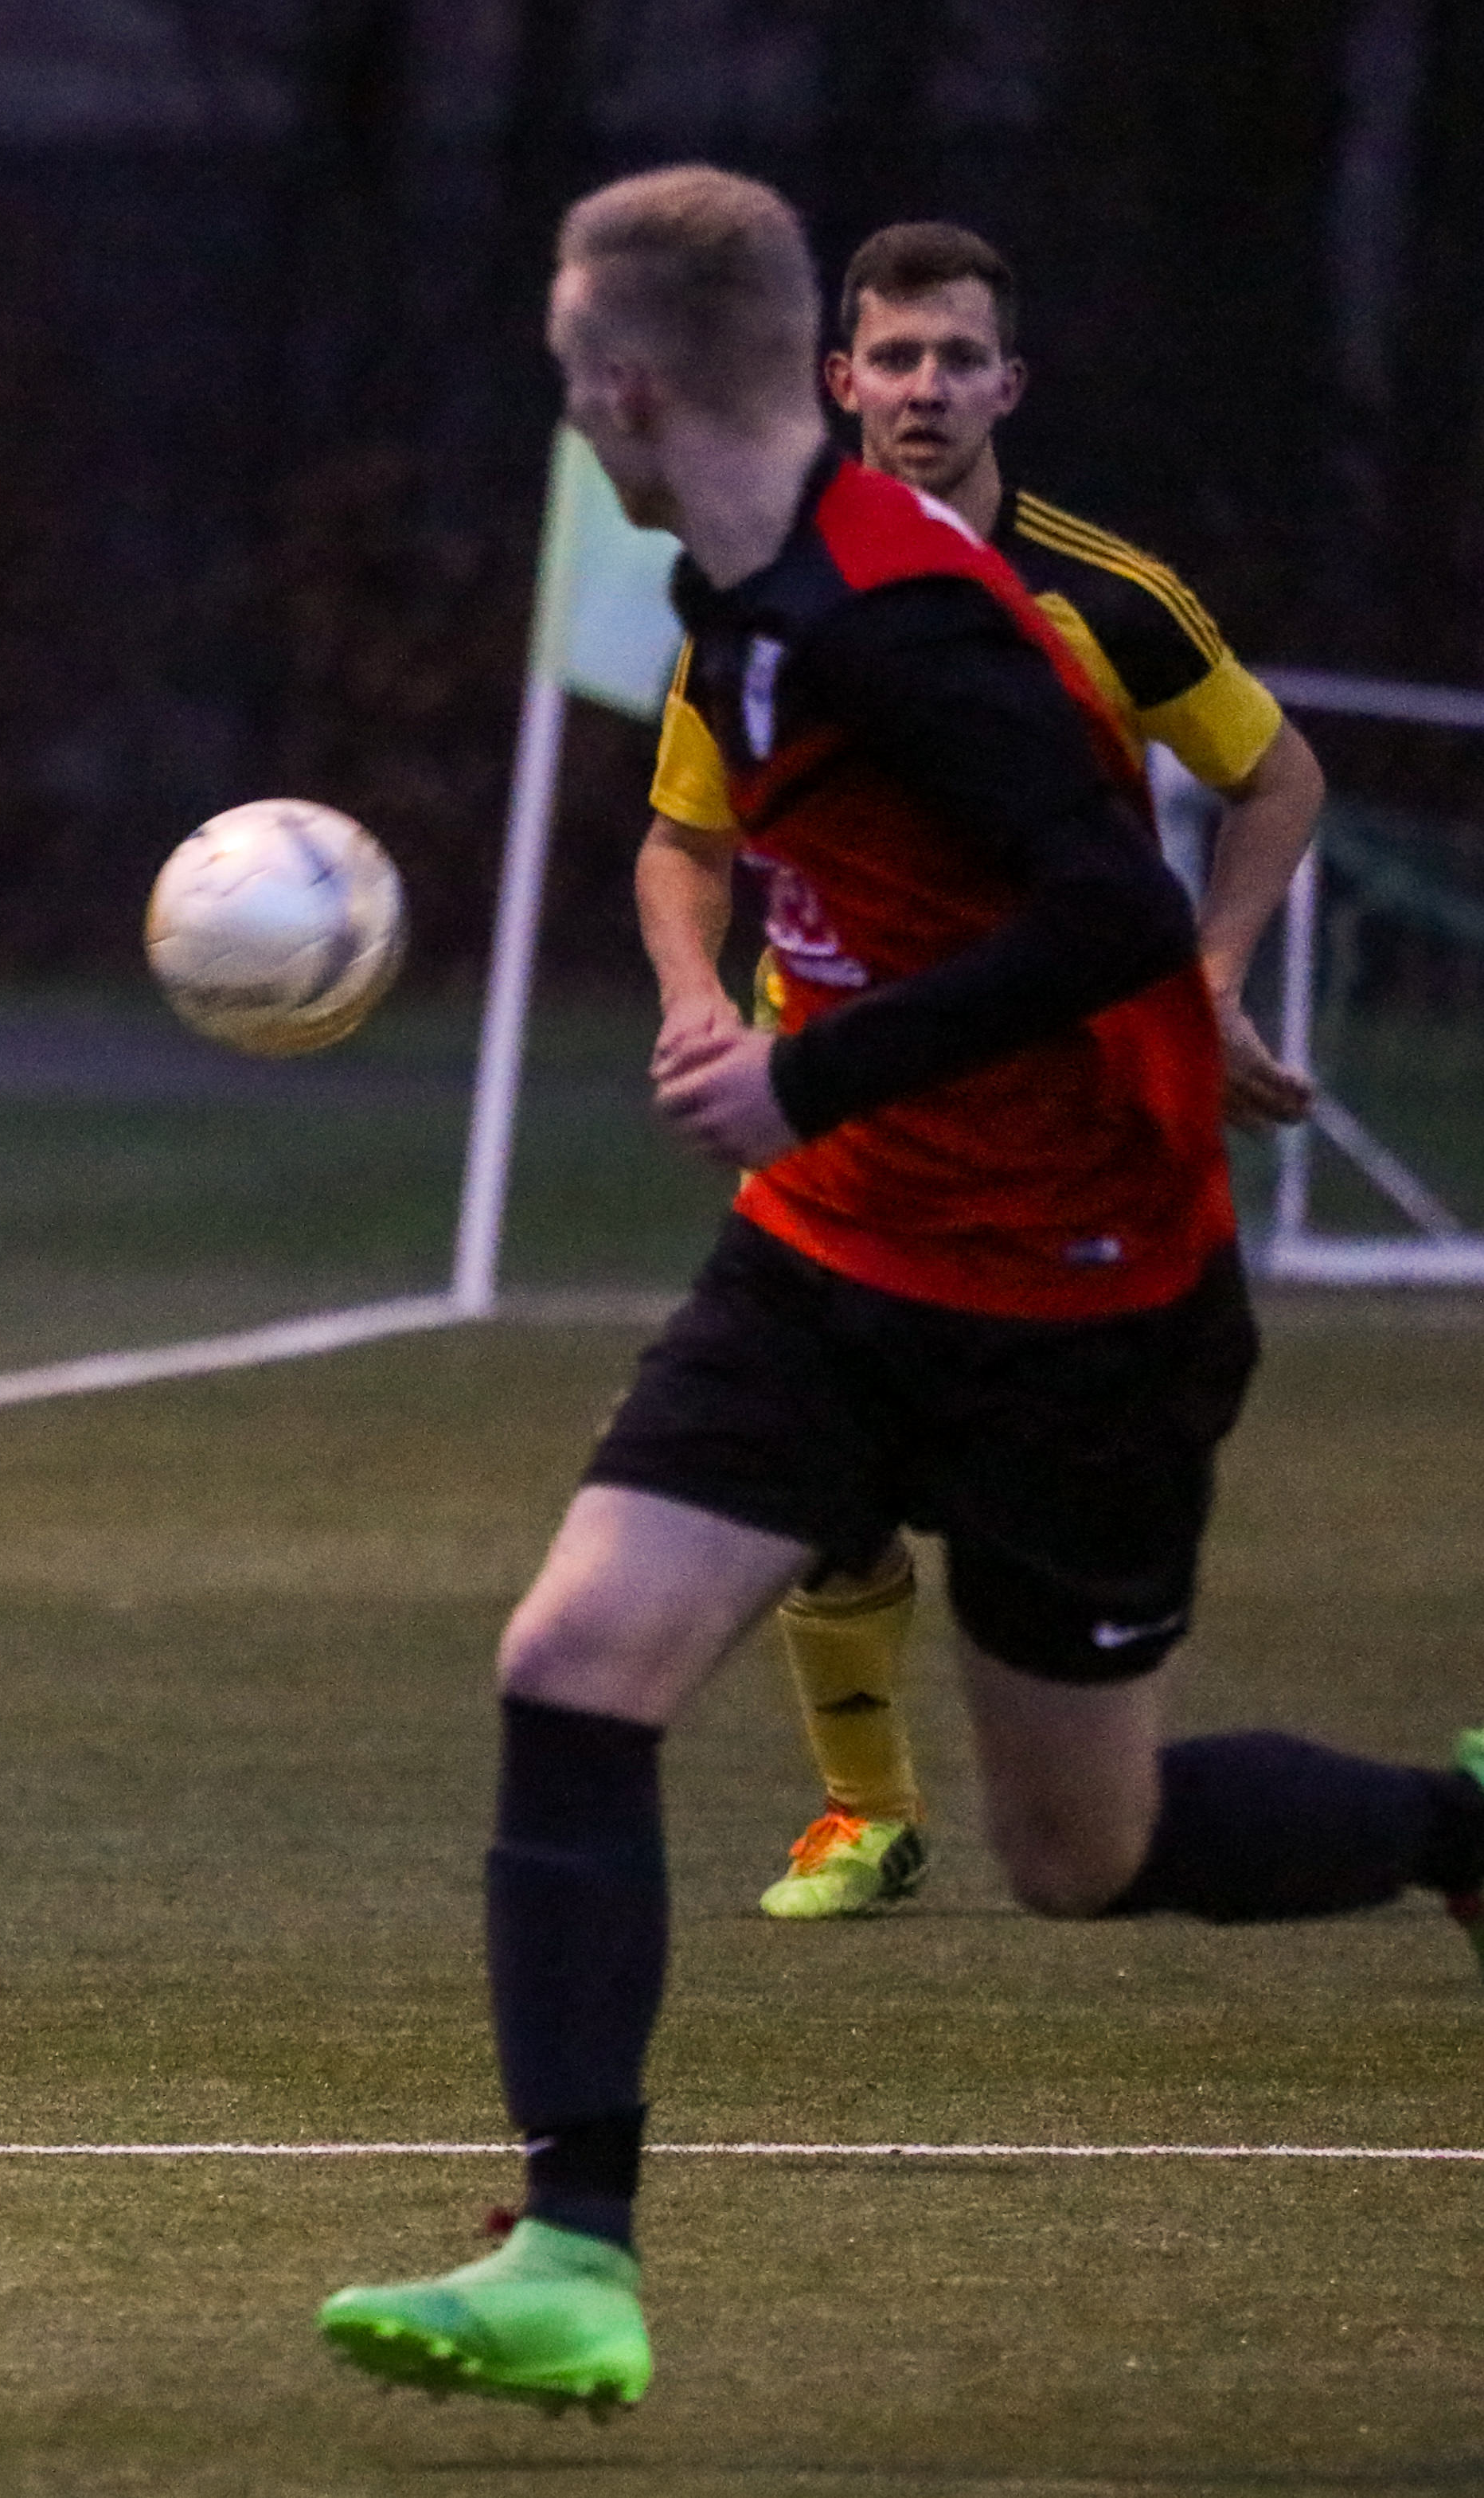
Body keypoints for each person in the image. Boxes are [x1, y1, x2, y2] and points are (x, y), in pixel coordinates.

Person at [315, 165, 1484, 2416]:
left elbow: (1110, 916)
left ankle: (1461, 1834)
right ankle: (572, 2255)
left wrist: (807, 1069)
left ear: (625, 386)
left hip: (1079, 1297)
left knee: (1080, 1855)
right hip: (836, 1254)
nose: (563, 403)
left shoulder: (898, 619)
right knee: (571, 1662)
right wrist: (795, 1077)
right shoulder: (743, 592)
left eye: (567, 367)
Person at [638, 220, 1331, 1922]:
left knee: (1078, 1797)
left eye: (958, 358)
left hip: (1064, 1154)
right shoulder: (764, 597)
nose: (924, 388)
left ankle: (1390, 1822)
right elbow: (682, 841)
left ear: (1009, 382)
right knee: (797, 1491)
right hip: (836, 1122)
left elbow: (1279, 776)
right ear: (839, 379)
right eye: (895, 357)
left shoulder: (1107, 597)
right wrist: (695, 994)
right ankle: (863, 1815)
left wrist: (1210, 977)